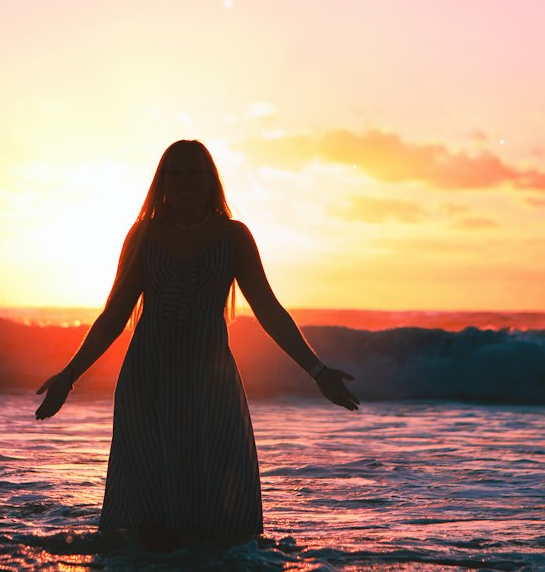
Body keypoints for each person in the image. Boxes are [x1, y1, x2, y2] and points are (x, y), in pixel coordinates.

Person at [35, 139, 358, 550]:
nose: (186, 181)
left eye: (196, 173)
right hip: (148, 379)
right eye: (177, 173)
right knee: (148, 520)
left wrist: (318, 371)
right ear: (162, 182)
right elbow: (113, 318)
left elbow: (270, 311)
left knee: (222, 523)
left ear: (211, 181)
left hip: (212, 384)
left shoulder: (234, 237)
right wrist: (69, 376)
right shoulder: (143, 235)